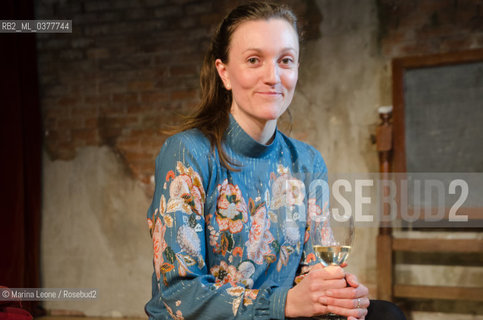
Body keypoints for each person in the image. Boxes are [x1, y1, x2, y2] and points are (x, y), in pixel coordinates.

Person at [145, 2, 406, 320]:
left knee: (383, 314)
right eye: (254, 60)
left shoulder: (307, 162)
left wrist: (339, 296)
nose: (273, 76)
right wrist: (283, 304)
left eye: (286, 60)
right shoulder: (187, 153)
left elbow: (315, 276)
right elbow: (177, 297)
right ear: (224, 72)